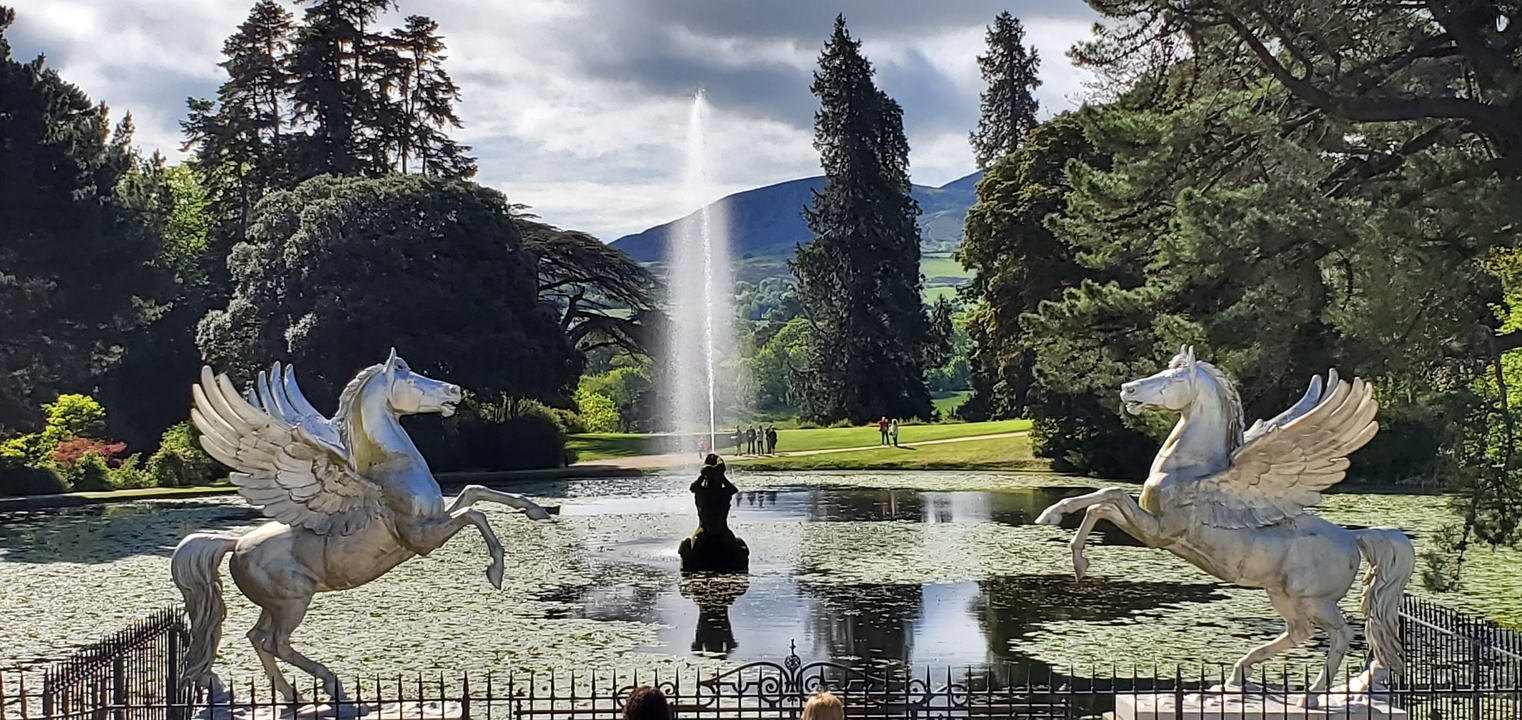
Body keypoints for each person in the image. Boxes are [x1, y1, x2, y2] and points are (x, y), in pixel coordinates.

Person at [690, 454, 739, 534]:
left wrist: (705, 475)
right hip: (705, 530)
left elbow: (733, 490)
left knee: (737, 544)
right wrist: (705, 475)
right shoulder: (704, 492)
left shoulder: (721, 493)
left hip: (721, 530)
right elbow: (693, 488)